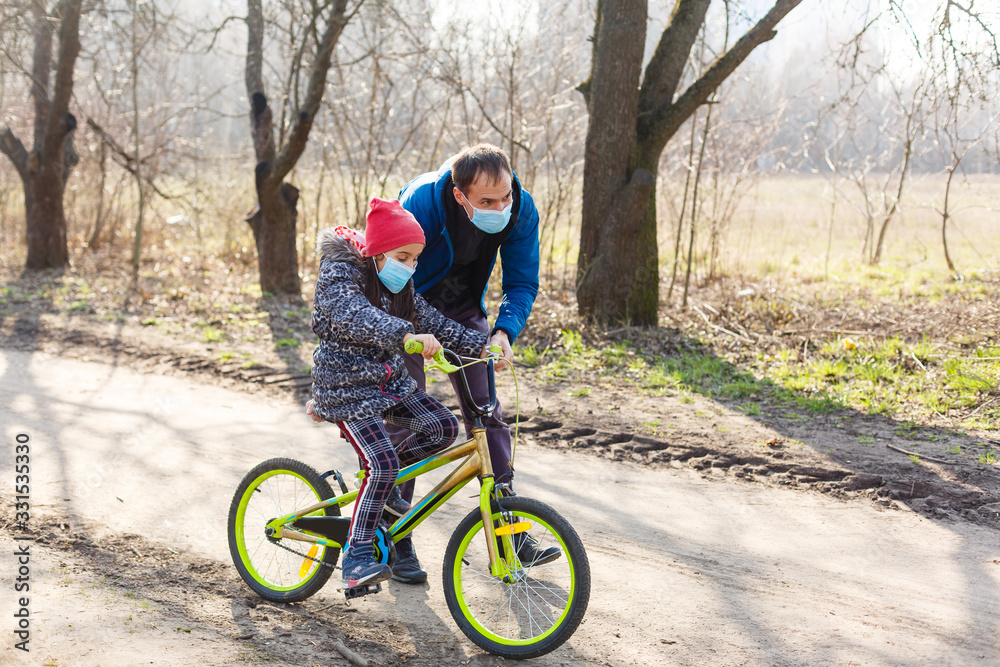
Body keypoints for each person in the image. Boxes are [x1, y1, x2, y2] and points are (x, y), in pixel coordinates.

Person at [386, 143, 558, 584]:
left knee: (488, 416)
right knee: (408, 419)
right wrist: (416, 335)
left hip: (463, 309)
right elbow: (394, 276)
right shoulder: (422, 202)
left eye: (505, 196)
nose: (500, 207)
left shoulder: (520, 209)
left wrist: (503, 332)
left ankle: (509, 532)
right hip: (409, 311)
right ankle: (393, 537)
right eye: (487, 202)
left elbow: (523, 281)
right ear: (461, 196)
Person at [304, 197, 488, 590]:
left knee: (441, 428)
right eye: (402, 256)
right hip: (346, 391)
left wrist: (481, 347)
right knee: (383, 464)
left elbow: (432, 319)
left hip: (388, 385)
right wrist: (404, 337)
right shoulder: (340, 274)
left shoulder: (401, 281)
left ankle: (382, 493)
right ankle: (356, 558)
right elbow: (354, 316)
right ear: (376, 251)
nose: (410, 266)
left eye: (416, 258)